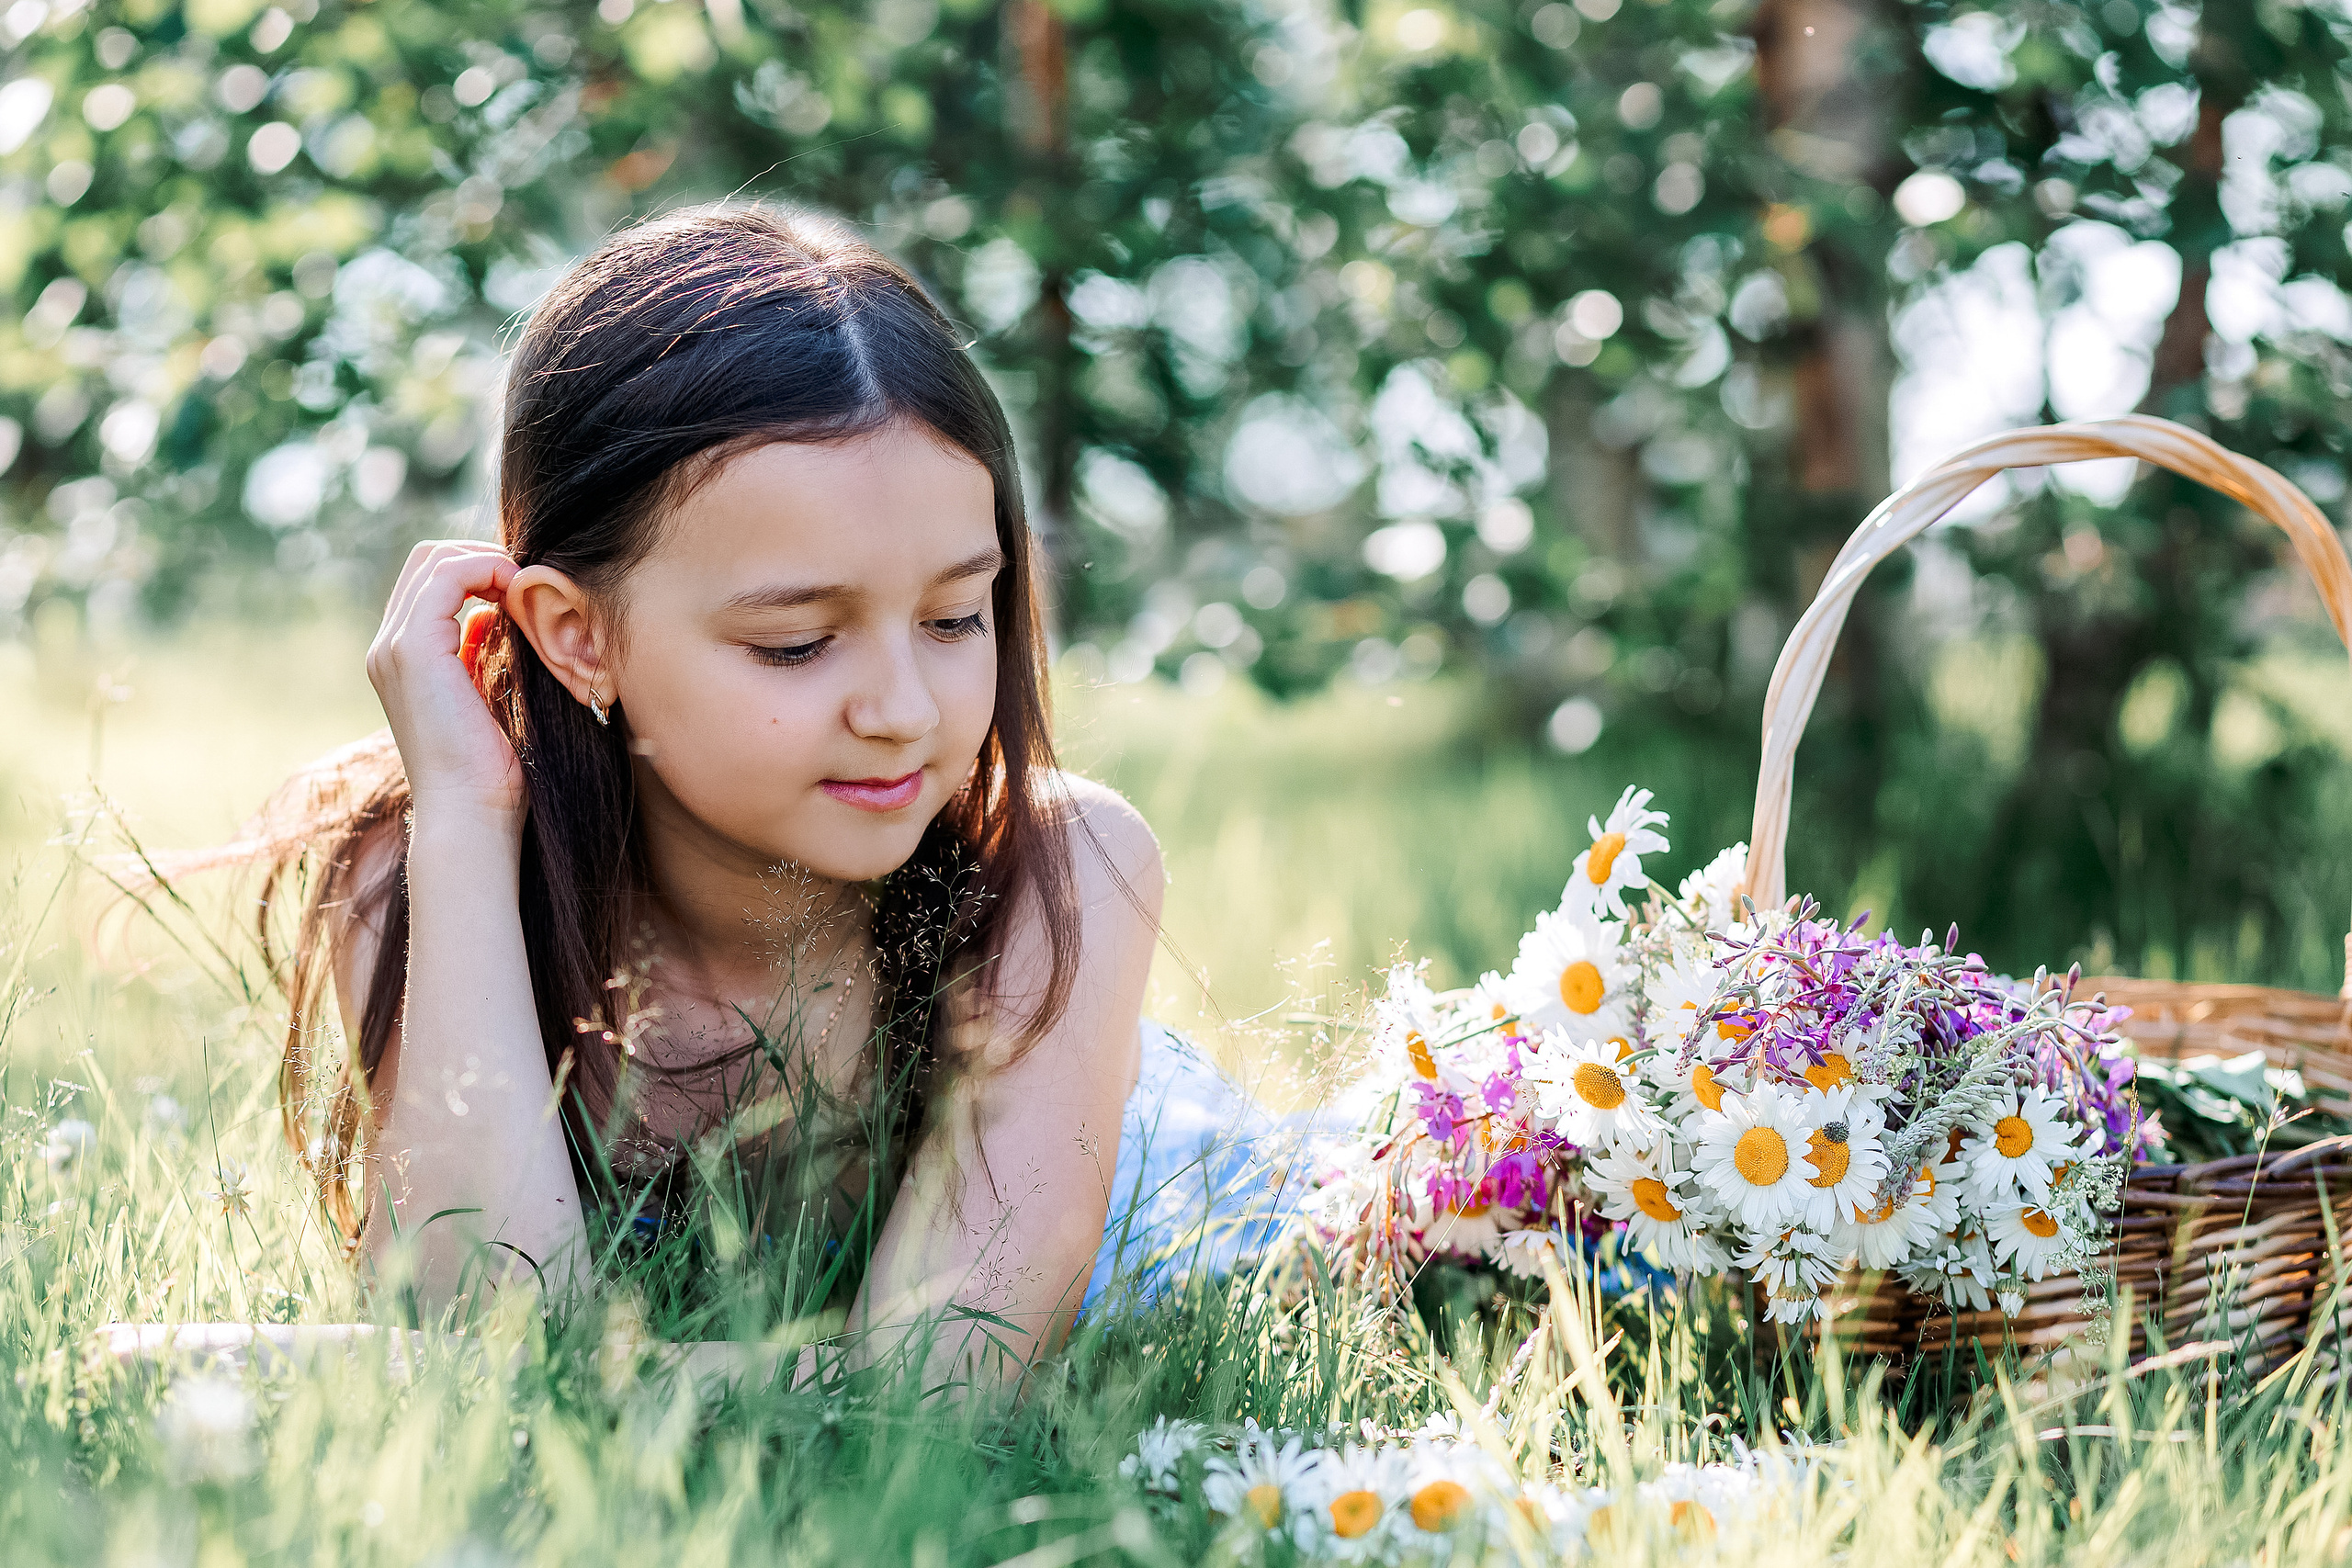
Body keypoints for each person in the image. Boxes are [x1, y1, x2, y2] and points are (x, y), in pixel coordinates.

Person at [194, 204, 1304, 1391]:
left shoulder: (1061, 868)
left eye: (952, 619)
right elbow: (489, 1326)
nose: (901, 709)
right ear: (576, 639)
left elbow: (940, 1391)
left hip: (1302, 1264)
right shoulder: (420, 876)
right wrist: (464, 813)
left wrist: (348, 1374)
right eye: (795, 643)